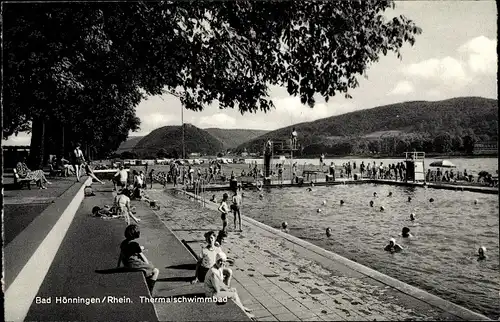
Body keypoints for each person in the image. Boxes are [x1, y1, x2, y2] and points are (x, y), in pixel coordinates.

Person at [204, 252, 253, 318]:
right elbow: (218, 289)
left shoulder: (218, 267)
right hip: (211, 294)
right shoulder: (214, 272)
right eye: (220, 261)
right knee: (233, 294)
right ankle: (244, 313)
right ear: (216, 260)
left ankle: (242, 307)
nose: (221, 263)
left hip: (214, 290)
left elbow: (220, 283)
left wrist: (228, 288)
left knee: (234, 290)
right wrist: (228, 289)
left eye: (223, 261)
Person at [117, 224, 159, 294]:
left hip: (126, 263)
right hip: (134, 265)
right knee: (155, 270)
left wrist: (118, 265)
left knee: (142, 262)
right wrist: (148, 265)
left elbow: (121, 254)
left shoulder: (123, 243)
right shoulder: (134, 245)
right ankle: (149, 289)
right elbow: (142, 255)